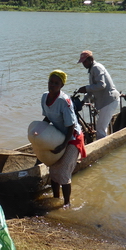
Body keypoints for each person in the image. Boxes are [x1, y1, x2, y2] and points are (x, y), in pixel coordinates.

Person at [41, 70, 86, 208]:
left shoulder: (64, 101)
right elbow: (48, 117)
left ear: (61, 86)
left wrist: (63, 145)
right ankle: (56, 198)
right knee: (53, 169)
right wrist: (39, 132)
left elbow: (71, 125)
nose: (52, 85)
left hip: (72, 137)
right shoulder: (44, 97)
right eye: (51, 82)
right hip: (58, 135)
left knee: (63, 172)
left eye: (56, 83)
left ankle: (67, 204)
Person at [76, 50, 120, 139]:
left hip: (109, 100)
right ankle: (105, 140)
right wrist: (83, 101)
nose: (84, 64)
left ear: (91, 59)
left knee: (100, 129)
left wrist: (86, 88)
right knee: (101, 127)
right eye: (83, 62)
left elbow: (101, 85)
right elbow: (91, 91)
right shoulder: (92, 70)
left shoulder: (97, 67)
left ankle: (103, 146)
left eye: (85, 61)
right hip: (105, 102)